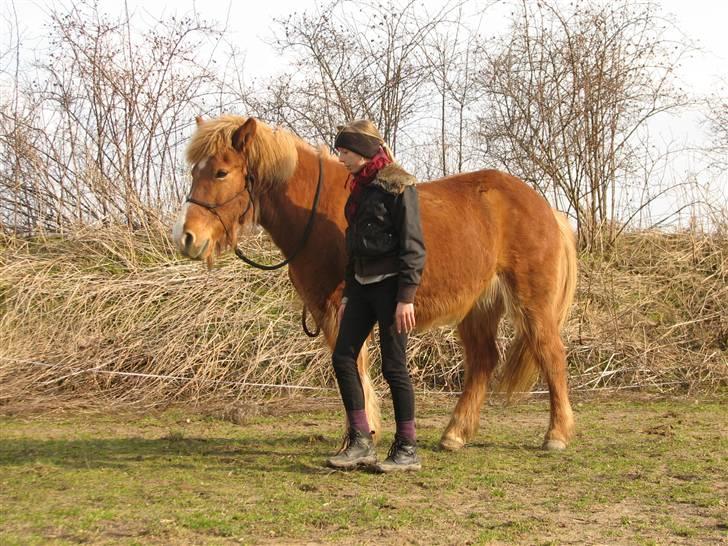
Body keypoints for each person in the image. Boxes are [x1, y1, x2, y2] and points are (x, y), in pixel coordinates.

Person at [327, 120, 426, 473]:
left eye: (346, 152)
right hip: (361, 288)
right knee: (343, 357)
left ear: (364, 151)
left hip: (391, 290)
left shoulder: (398, 186)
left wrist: (406, 297)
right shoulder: (359, 189)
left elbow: (413, 246)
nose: (340, 158)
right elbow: (353, 247)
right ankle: (360, 440)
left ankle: (407, 447)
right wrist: (347, 295)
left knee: (394, 367)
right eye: (340, 151)